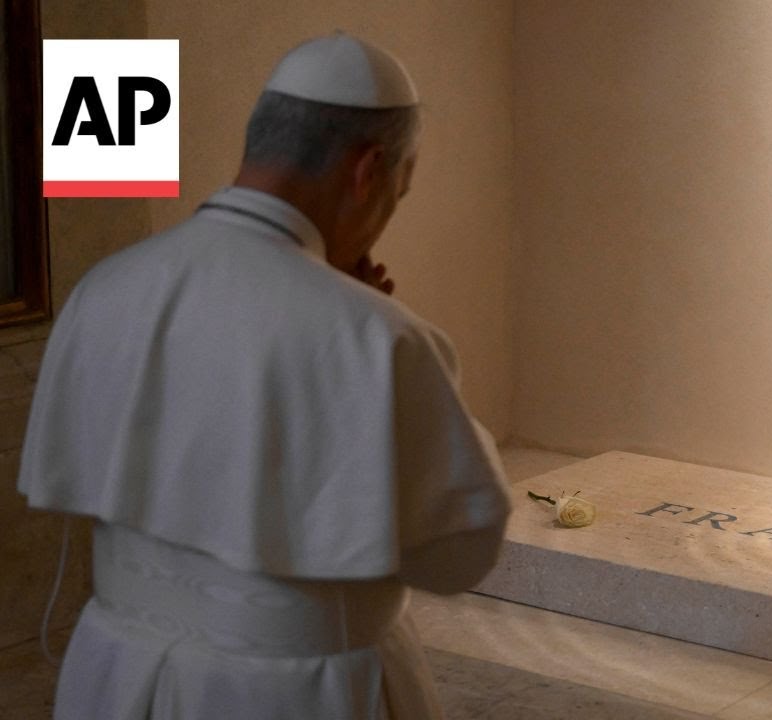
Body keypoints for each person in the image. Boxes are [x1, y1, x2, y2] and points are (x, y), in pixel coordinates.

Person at [17, 32, 511, 719]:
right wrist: (357, 314)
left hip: (114, 675)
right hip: (292, 695)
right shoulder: (381, 337)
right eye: (398, 193)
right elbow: (458, 554)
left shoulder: (102, 287)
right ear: (368, 171)